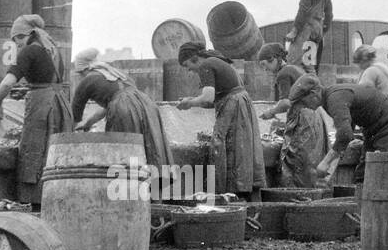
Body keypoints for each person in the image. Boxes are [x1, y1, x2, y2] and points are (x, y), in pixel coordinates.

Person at [0, 14, 73, 207]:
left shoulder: (29, 51)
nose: (17, 43)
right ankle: (54, 197)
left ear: (29, 34)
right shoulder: (53, 49)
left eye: (18, 38)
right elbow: (46, 77)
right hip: (59, 102)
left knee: (34, 148)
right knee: (53, 151)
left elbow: (7, 83)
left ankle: (33, 200)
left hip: (42, 104)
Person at [71, 48, 173, 187]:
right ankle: (153, 192)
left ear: (84, 69)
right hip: (147, 106)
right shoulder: (114, 73)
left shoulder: (88, 79)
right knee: (149, 146)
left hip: (124, 110)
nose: (81, 76)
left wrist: (70, 133)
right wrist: (89, 123)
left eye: (80, 72)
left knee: (125, 150)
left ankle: (127, 189)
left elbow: (75, 113)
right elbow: (112, 104)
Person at [176, 41, 265, 199]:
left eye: (187, 64)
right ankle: (242, 191)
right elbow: (215, 99)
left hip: (234, 106)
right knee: (241, 149)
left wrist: (189, 103)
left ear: (194, 58)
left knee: (226, 148)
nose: (189, 70)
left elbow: (208, 98)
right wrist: (192, 100)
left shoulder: (206, 65)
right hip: (239, 104)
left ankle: (230, 193)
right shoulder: (217, 61)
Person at [295, 76, 388, 184]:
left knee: (385, 171)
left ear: (314, 94)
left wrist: (325, 162)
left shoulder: (334, 99)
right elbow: (348, 127)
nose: (304, 106)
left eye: (303, 102)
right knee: (363, 175)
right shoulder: (328, 99)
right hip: (371, 129)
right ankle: (360, 198)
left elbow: (345, 134)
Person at [258, 68, 328, 188]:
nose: (267, 69)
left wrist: (270, 112)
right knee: (312, 164)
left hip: (305, 120)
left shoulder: (283, 75)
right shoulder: (295, 70)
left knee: (298, 163)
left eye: (264, 64)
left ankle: (298, 195)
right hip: (316, 116)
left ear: (273, 58)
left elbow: (286, 102)